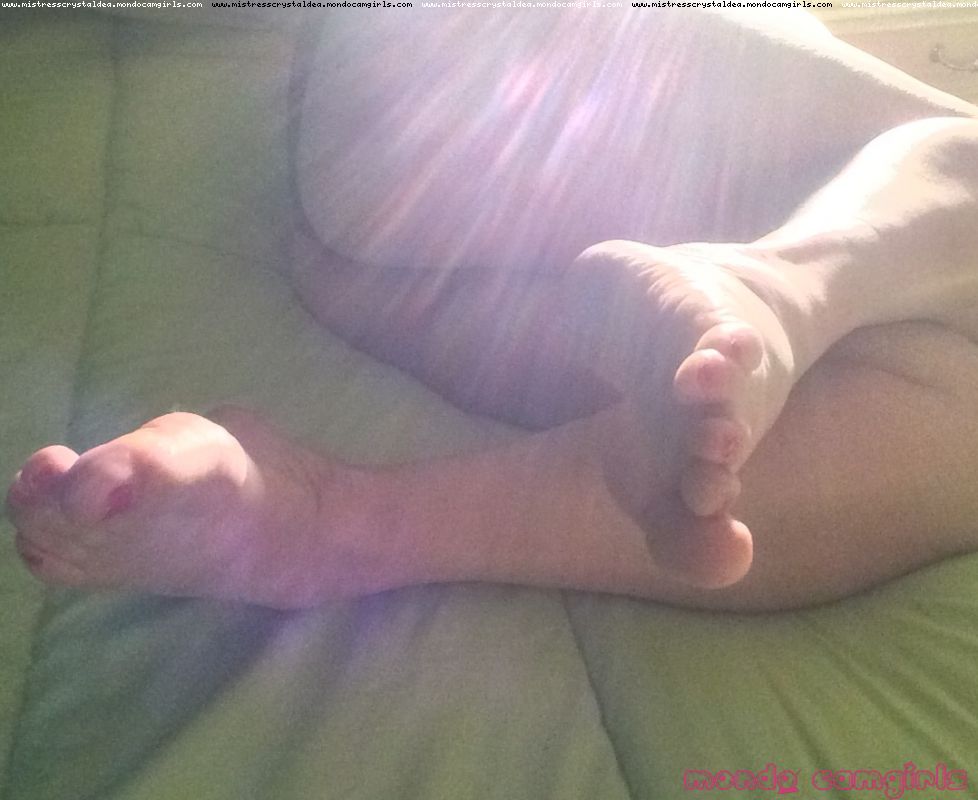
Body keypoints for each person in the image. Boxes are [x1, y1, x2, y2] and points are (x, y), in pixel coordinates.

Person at [6, 10, 978, 612]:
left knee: (867, 413)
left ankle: (335, 522)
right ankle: (772, 290)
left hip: (396, 166)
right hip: (462, 78)